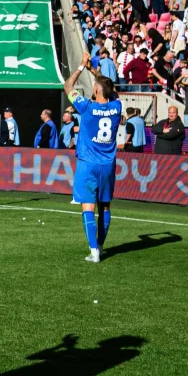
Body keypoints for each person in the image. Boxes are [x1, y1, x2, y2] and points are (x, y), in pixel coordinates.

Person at [63, 63, 121, 263]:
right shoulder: (116, 106)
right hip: (108, 164)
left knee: (88, 207)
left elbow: (68, 86)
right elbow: (111, 90)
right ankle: (102, 247)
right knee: (104, 206)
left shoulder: (86, 107)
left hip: (88, 163)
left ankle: (94, 251)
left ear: (95, 90)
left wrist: (81, 65)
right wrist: (94, 71)